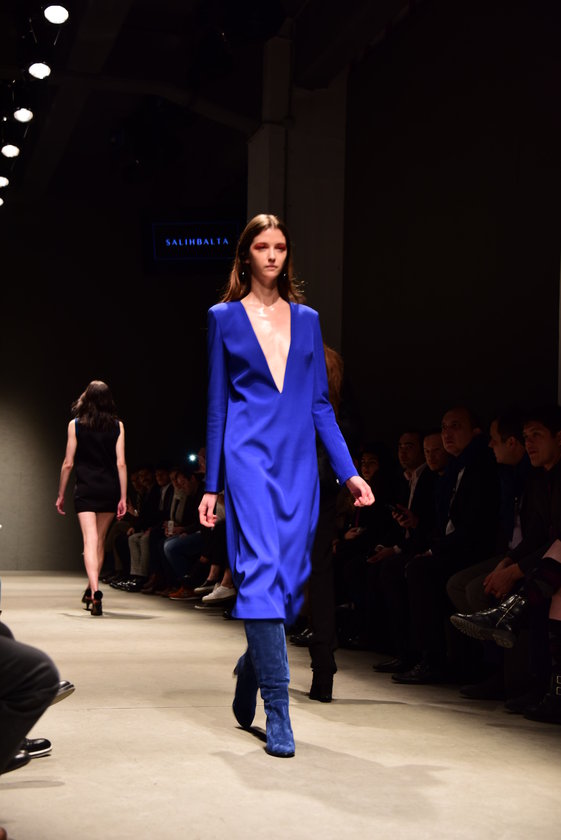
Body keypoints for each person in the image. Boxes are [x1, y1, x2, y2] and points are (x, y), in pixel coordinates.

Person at [198, 213, 373, 757]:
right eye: (261, 247)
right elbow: (218, 405)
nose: (272, 255)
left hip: (299, 465)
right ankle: (278, 711)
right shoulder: (223, 318)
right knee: (260, 579)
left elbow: (320, 405)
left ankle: (253, 663)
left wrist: (348, 471)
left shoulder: (308, 320)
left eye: (279, 246)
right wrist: (212, 485)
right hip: (247, 460)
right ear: (245, 255)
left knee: (290, 590)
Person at [56, 380, 127, 616]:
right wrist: (123, 496)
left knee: (89, 540)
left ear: (86, 398)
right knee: (99, 541)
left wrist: (61, 493)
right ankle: (91, 588)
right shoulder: (118, 426)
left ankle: (95, 591)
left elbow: (68, 463)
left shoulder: (75, 425)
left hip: (86, 488)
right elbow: (121, 463)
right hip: (109, 488)